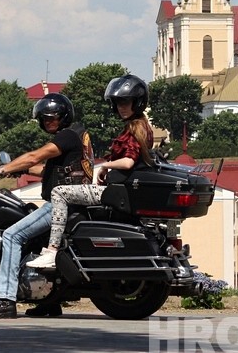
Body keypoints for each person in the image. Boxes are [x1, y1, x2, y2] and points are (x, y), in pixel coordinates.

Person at [0, 93, 93, 319]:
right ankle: (50, 302)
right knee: (36, 241)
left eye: (53, 117)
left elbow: (34, 157)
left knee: (12, 236)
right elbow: (47, 170)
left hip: (60, 205)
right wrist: (18, 169)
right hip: (72, 202)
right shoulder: (77, 134)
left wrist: (1, 169)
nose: (48, 121)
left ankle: (5, 300)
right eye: (45, 118)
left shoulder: (67, 136)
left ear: (64, 116)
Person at [26, 74, 153, 269]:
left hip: (117, 192)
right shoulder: (140, 126)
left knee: (59, 192)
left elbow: (128, 162)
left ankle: (52, 251)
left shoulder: (136, 128)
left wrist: (106, 166)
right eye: (118, 103)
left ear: (137, 103)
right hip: (121, 190)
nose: (121, 107)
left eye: (125, 102)